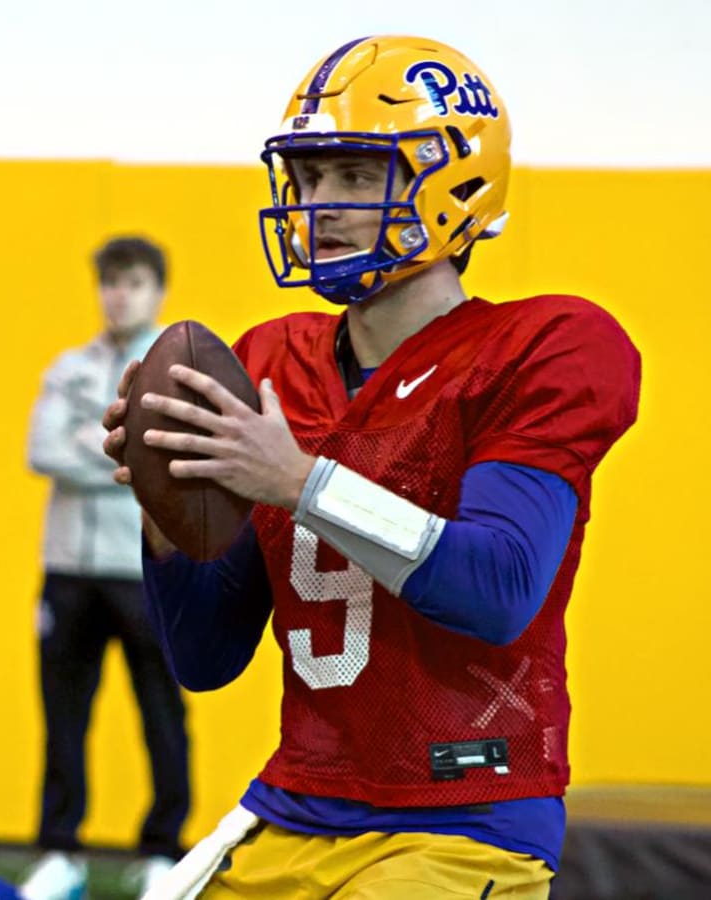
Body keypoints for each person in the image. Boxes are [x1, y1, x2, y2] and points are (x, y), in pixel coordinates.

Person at [102, 35, 641, 899]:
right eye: (310, 179)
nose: (321, 205)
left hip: (460, 820)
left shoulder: (546, 346)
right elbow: (203, 656)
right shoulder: (270, 360)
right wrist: (164, 501)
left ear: (454, 183)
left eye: (355, 175)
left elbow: (497, 588)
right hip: (294, 809)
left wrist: (297, 482)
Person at [22, 236, 192, 900]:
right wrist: (122, 454)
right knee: (63, 714)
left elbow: (168, 455)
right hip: (67, 567)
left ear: (158, 291)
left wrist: (97, 449)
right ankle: (59, 852)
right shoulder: (68, 367)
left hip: (141, 569)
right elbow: (41, 450)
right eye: (109, 282)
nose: (118, 294)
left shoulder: (176, 370)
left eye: (133, 283)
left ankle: (162, 850)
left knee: (161, 713)